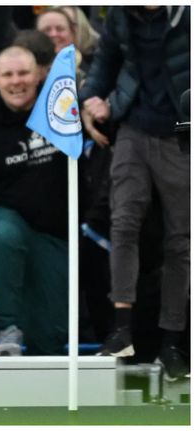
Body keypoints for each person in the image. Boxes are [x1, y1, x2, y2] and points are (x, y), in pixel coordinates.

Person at [79, 6, 190, 381]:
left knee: (181, 240)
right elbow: (105, 60)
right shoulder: (121, 15)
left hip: (181, 134)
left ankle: (173, 342)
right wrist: (90, 98)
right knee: (123, 223)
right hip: (132, 127)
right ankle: (121, 329)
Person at [0, 46, 69, 356]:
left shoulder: (62, 114)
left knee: (51, 333)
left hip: (53, 232)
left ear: (39, 76)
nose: (16, 81)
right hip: (2, 220)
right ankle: (7, 325)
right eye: (8, 75)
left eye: (23, 73)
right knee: (3, 234)